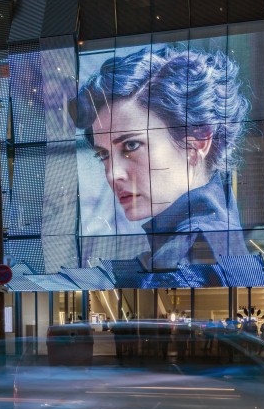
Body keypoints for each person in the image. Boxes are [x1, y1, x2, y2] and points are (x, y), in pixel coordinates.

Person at [72, 45, 251, 269]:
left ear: (198, 141)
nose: (112, 174)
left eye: (131, 145)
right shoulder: (216, 238)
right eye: (104, 155)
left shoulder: (190, 258)